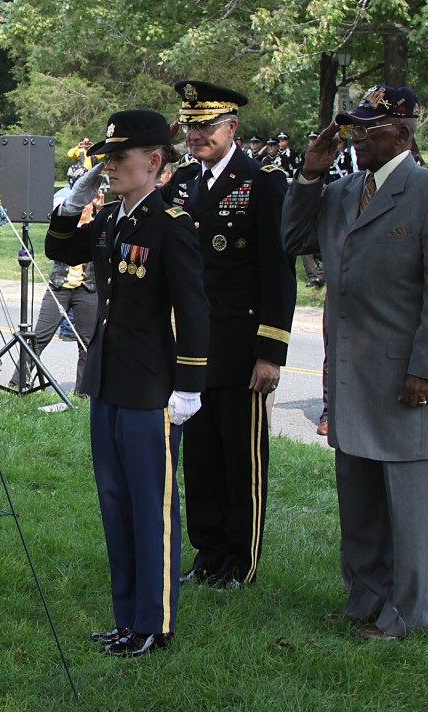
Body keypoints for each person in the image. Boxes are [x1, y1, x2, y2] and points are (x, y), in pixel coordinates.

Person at [282, 85, 428, 640]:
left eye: (369, 128)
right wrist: (310, 176)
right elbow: (293, 239)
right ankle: (365, 596)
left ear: (402, 134)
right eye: (354, 128)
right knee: (358, 499)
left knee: (408, 510)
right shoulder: (341, 192)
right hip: (350, 375)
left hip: (405, 377)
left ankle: (408, 613)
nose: (356, 137)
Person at [47, 110, 208, 658]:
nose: (110, 166)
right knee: (115, 502)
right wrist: (74, 200)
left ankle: (155, 622)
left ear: (155, 161)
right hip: (110, 381)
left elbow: (194, 310)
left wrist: (189, 385)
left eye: (120, 158)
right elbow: (60, 249)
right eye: (107, 158)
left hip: (152, 389)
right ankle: (126, 617)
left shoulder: (171, 223)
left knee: (152, 505)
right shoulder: (116, 220)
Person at [160, 80, 296, 589]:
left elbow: (279, 272)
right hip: (194, 346)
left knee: (240, 455)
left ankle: (242, 556)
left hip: (242, 346)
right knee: (201, 456)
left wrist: (271, 352)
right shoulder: (183, 182)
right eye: (190, 125)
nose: (195, 135)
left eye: (206, 126)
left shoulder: (262, 181)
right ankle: (209, 550)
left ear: (231, 127)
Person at [11, 188, 102, 391]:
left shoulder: (96, 229)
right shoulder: (65, 228)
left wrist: (100, 208)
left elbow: (107, 234)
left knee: (87, 343)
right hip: (59, 287)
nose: (85, 208)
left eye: (89, 205)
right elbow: (54, 246)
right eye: (82, 205)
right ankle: (18, 382)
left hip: (87, 289)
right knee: (40, 336)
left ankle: (84, 391)